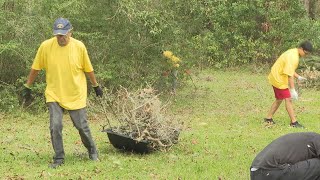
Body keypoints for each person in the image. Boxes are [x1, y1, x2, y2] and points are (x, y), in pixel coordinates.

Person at [21, 17, 103, 168]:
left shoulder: (79, 47)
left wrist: (96, 86)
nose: (61, 38)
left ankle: (92, 150)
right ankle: (59, 158)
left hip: (75, 93)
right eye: (58, 35)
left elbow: (88, 69)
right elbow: (35, 68)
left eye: (64, 35)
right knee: (55, 126)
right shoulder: (45, 46)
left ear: (70, 33)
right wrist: (27, 86)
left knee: (81, 126)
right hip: (54, 93)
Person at [264, 41, 313, 128]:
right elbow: (289, 75)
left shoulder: (293, 52)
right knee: (288, 99)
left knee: (279, 99)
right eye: (305, 53)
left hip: (276, 75)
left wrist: (298, 77)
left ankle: (268, 118)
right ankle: (294, 122)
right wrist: (293, 90)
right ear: (301, 49)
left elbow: (288, 68)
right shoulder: (293, 57)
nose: (305, 55)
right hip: (278, 78)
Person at [250, 132, 320, 180]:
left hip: (256, 173)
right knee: (317, 165)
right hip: (269, 171)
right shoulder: (317, 139)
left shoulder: (309, 137)